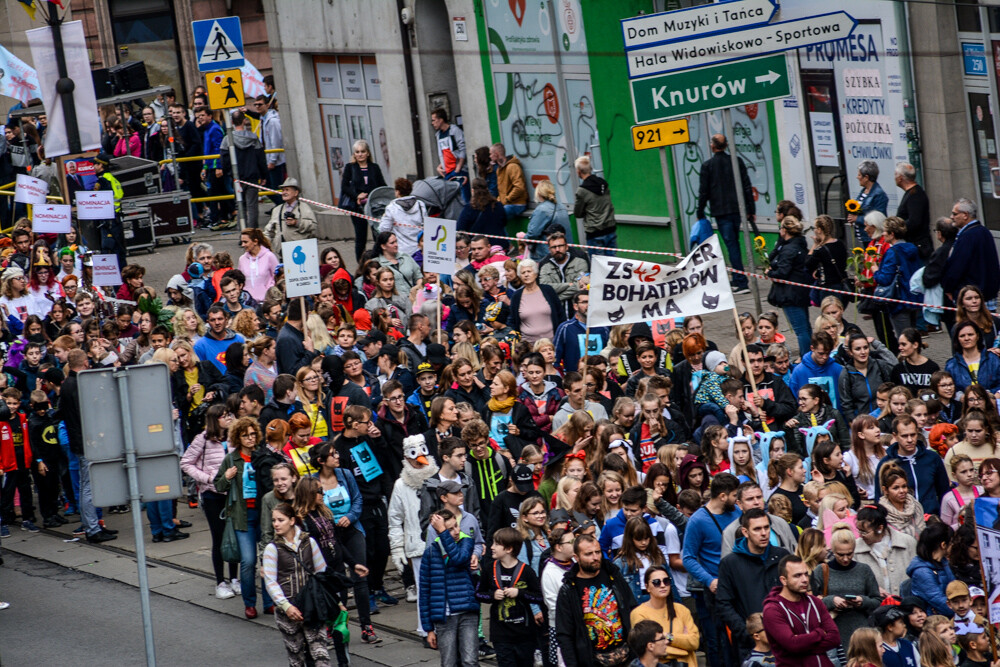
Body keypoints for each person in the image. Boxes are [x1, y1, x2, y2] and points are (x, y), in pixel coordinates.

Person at [213, 416, 273, 618]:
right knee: (248, 561)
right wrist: (227, 477)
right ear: (238, 437)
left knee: (268, 560)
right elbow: (218, 485)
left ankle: (269, 601)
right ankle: (249, 603)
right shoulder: (231, 459)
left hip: (263, 515)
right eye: (246, 435)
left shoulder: (262, 455)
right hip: (242, 516)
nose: (250, 438)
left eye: (253, 434)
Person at [260, 503, 331, 667]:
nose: (276, 524)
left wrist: (336, 602)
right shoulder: (272, 549)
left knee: (321, 656)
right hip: (288, 611)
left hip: (311, 606)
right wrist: (286, 606)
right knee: (296, 659)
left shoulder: (309, 542)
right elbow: (270, 582)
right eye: (274, 520)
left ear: (292, 521)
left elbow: (322, 573)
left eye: (280, 520)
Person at [681, 473, 741, 667]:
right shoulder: (698, 520)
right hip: (713, 591)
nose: (736, 499)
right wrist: (709, 580)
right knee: (716, 642)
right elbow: (688, 558)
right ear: (722, 496)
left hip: (737, 585)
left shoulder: (737, 513)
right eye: (734, 495)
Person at [716, 509, 790, 660]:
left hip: (785, 639)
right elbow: (724, 603)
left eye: (766, 527)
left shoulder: (782, 557)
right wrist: (746, 632)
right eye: (757, 529)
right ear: (745, 532)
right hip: (750, 645)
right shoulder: (730, 563)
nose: (763, 533)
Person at [555, 534, 637, 667]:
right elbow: (565, 635)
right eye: (588, 554)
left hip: (627, 656)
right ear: (576, 557)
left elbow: (632, 608)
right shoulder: (569, 590)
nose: (595, 557)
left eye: (597, 552)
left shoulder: (613, 575)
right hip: (592, 660)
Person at [475, 526, 544, 667]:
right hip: (501, 635)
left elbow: (539, 597)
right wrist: (492, 595)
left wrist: (520, 593)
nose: (492, 547)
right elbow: (478, 594)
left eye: (496, 544)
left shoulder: (526, 571)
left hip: (524, 634)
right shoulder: (489, 568)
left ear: (509, 549)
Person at [419, 509, 480, 667]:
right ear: (439, 531)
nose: (457, 531)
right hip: (444, 617)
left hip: (467, 612)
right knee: (448, 663)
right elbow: (424, 592)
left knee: (470, 660)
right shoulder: (431, 553)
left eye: (457, 526)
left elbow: (458, 558)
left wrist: (443, 532)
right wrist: (428, 629)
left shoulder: (466, 543)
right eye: (450, 528)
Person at [697, 134, 754, 294]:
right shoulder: (736, 162)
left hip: (722, 212)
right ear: (726, 145)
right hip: (737, 209)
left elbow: (704, 192)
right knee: (733, 243)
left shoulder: (708, 166)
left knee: (732, 245)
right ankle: (737, 277)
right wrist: (751, 209)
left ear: (713, 146)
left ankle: (741, 281)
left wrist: (700, 212)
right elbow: (746, 185)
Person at [761, 555, 841, 666]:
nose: (804, 580)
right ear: (784, 580)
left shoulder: (815, 602)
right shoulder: (773, 610)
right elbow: (792, 645)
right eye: (797, 576)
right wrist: (820, 632)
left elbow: (835, 638)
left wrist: (801, 646)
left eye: (806, 574)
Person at [629, 568, 700, 666]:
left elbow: (694, 642)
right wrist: (683, 647)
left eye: (666, 581)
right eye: (656, 582)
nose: (662, 585)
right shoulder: (639, 613)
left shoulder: (682, 610)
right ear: (647, 587)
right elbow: (648, 648)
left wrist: (666, 637)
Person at [766, 216, 812, 355]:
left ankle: (806, 358)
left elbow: (782, 271)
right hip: (800, 292)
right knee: (806, 328)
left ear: (785, 230)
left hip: (790, 295)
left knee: (800, 330)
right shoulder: (799, 244)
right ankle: (809, 355)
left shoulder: (788, 249)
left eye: (780, 228)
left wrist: (770, 273)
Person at [872, 216, 923, 341]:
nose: (883, 233)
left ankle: (909, 360)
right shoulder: (912, 249)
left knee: (904, 339)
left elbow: (884, 279)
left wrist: (875, 270)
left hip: (898, 300)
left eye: (885, 231)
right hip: (914, 298)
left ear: (892, 234)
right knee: (913, 336)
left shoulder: (892, 252)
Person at [942, 198, 999, 305]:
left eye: (954, 214)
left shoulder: (967, 236)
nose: (951, 217)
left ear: (965, 215)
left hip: (970, 297)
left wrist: (948, 287)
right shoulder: (984, 232)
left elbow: (956, 267)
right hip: (987, 295)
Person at [341, 139, 387, 262]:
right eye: (357, 152)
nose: (360, 154)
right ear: (354, 154)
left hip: (373, 206)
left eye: (362, 151)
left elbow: (382, 185)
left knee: (377, 234)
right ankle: (361, 264)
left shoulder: (374, 167)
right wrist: (357, 196)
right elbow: (344, 186)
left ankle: (379, 261)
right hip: (357, 207)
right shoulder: (350, 168)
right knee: (361, 237)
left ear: (368, 153)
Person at [220, 110, 267, 229]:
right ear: (244, 121)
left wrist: (229, 174)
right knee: (252, 207)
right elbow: (260, 158)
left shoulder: (227, 139)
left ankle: (243, 234)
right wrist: (264, 175)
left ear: (231, 122)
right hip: (252, 176)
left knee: (240, 206)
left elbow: (225, 161)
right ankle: (253, 233)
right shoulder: (253, 138)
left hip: (237, 178)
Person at [906, 521, 957, 617]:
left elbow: (956, 588)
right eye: (951, 542)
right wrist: (963, 609)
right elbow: (940, 602)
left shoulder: (943, 563)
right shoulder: (922, 572)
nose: (953, 545)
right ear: (943, 545)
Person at [509, 259, 563, 344]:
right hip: (528, 345)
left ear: (536, 274)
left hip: (552, 343)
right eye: (523, 273)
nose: (526, 275)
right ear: (520, 276)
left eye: (529, 271)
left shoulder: (548, 290)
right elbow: (512, 320)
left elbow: (560, 314)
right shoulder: (516, 296)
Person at [573, 155, 618, 256]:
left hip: (595, 233)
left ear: (579, 171)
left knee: (597, 267)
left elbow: (578, 213)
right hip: (610, 229)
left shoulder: (582, 191)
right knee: (612, 264)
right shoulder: (604, 184)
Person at [539, 231, 589, 320]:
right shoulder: (545, 267)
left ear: (566, 247)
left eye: (560, 246)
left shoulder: (580, 262)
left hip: (578, 316)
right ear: (549, 249)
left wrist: (556, 299)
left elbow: (579, 288)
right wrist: (568, 284)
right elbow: (545, 289)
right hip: (555, 316)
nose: (557, 249)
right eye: (554, 247)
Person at [265, 177, 318, 260]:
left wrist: (297, 222)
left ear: (296, 193)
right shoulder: (277, 210)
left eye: (287, 190)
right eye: (283, 190)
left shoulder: (304, 208)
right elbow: (269, 231)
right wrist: (262, 243)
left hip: (301, 252)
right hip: (282, 253)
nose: (284, 192)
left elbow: (313, 226)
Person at [806, 215, 850, 306]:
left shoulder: (821, 250)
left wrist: (814, 245)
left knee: (829, 316)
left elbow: (808, 264)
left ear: (819, 230)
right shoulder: (840, 243)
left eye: (815, 228)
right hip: (842, 284)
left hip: (828, 287)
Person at [946, 321, 1000, 395]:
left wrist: (996, 394)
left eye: (970, 334)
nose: (966, 338)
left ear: (977, 336)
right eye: (962, 336)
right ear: (957, 339)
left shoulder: (993, 359)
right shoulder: (951, 365)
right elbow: (950, 389)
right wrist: (960, 397)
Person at [380, 178, 425, 259]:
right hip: (420, 250)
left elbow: (383, 229)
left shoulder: (392, 207)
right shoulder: (420, 205)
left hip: (402, 251)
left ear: (397, 191)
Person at [894, 162, 932, 259]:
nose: (894, 178)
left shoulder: (915, 195)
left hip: (918, 248)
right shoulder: (911, 193)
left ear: (901, 178)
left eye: (895, 174)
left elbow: (914, 221)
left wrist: (896, 229)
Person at [847, 160, 889, 247]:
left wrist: (857, 219)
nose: (857, 177)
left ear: (866, 177)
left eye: (859, 175)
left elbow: (879, 219)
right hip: (864, 236)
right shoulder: (864, 191)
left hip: (872, 237)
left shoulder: (879, 194)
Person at [526, 180, 569, 260]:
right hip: (564, 249)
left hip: (546, 252)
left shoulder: (542, 210)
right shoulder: (562, 207)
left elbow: (533, 233)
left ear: (538, 193)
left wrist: (524, 238)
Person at [491, 143, 528, 219]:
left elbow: (519, 187)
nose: (489, 157)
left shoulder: (512, 166)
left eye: (490, 154)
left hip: (517, 204)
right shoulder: (499, 169)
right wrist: (497, 201)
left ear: (496, 154)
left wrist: (507, 199)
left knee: (498, 216)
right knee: (490, 212)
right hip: (507, 203)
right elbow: (502, 191)